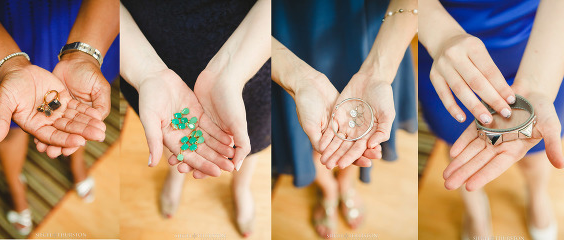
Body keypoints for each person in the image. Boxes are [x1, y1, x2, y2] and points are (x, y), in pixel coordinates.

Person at [120, 0, 271, 237]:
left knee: (248, 134)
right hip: (151, 45)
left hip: (249, 49)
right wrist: (147, 72)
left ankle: (241, 186)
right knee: (169, 126)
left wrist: (231, 73)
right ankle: (176, 173)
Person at [418, 0, 564, 238]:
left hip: (540, 44)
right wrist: (441, 35)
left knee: (536, 153)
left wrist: (539, 85)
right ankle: (475, 211)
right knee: (459, 150)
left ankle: (537, 195)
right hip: (444, 53)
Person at [271, 0, 417, 238]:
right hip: (293, 27)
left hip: (374, 28)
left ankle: (345, 185)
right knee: (314, 129)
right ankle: (328, 190)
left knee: (358, 138)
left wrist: (377, 73)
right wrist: (298, 78)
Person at [0, 0, 118, 235]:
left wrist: (83, 57)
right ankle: (16, 189)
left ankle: (77, 164)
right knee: (9, 124)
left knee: (80, 108)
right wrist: (10, 67)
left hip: (81, 23)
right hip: (1, 30)